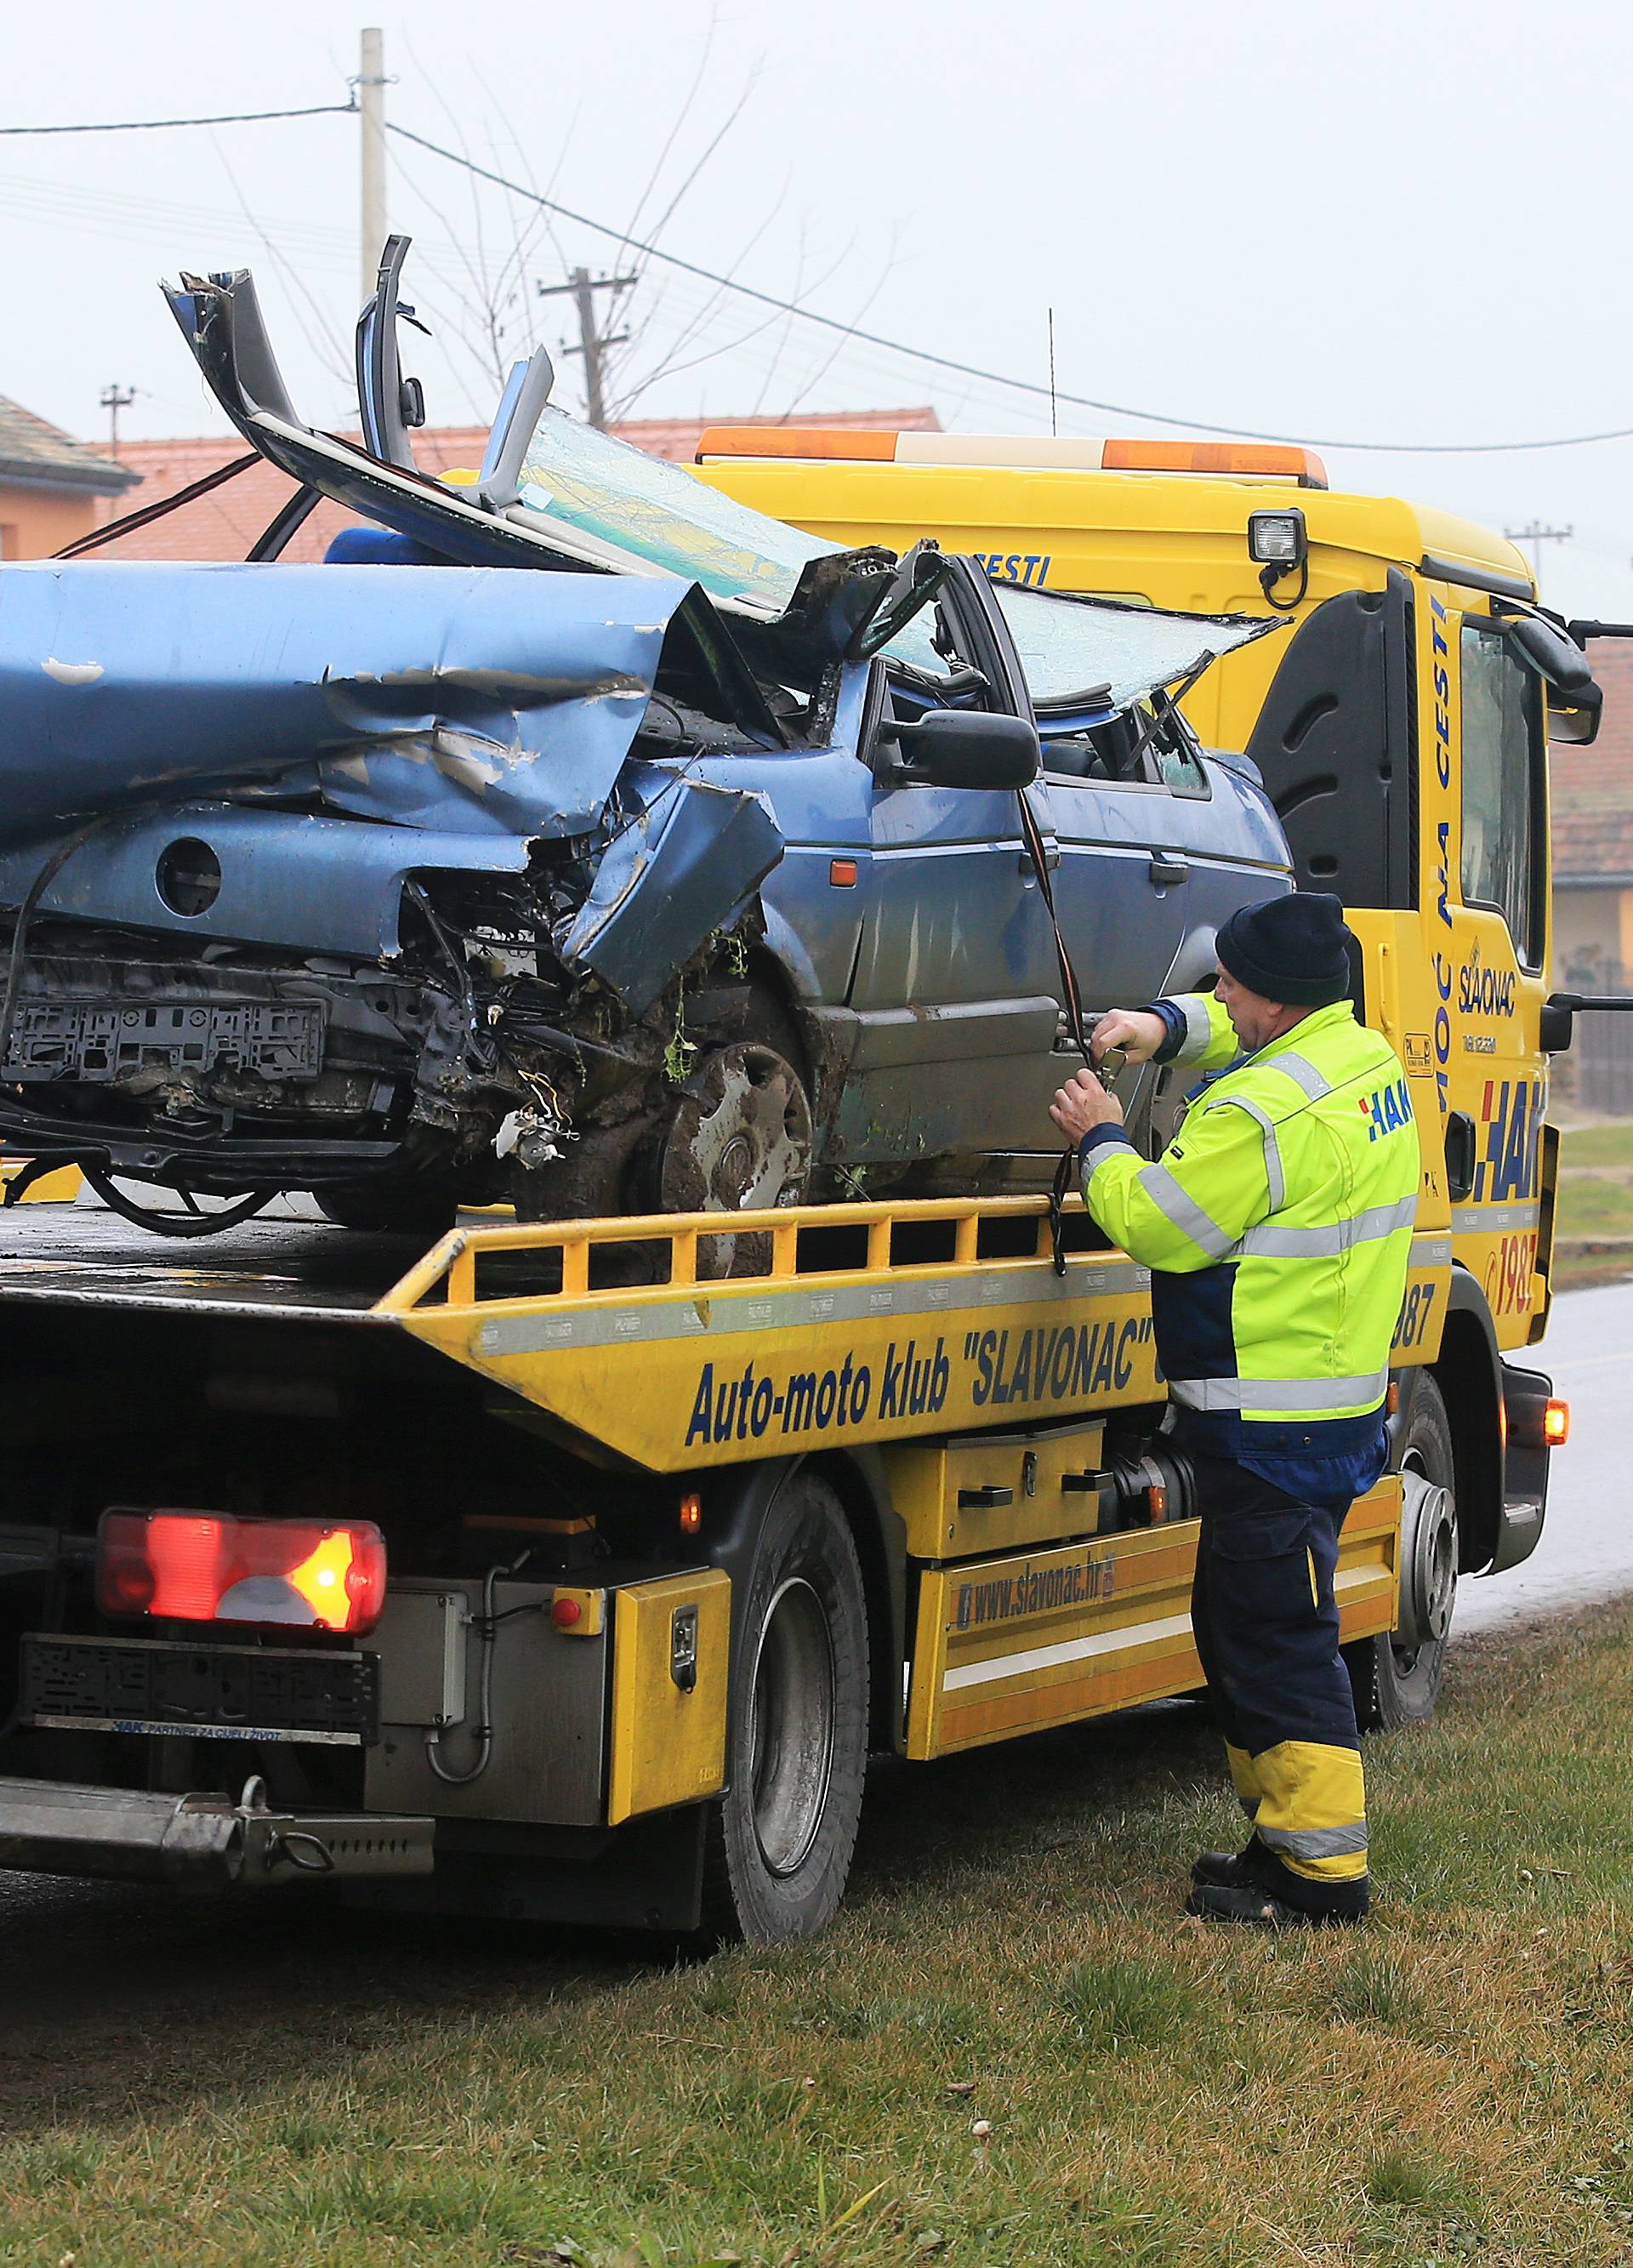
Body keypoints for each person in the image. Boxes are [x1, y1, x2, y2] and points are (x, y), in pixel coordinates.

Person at [1049, 892, 1419, 1928]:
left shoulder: (1255, 1116)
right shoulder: (1358, 1059)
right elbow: (1242, 1024)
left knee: (1275, 1637)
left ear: (1273, 999)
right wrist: (1155, 1027)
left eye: (1229, 982)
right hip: (1324, 1410)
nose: (1218, 994)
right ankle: (1279, 1843)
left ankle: (1320, 1876)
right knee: (1246, 1620)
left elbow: (1158, 1224)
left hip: (1271, 1424)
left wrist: (1103, 1134)